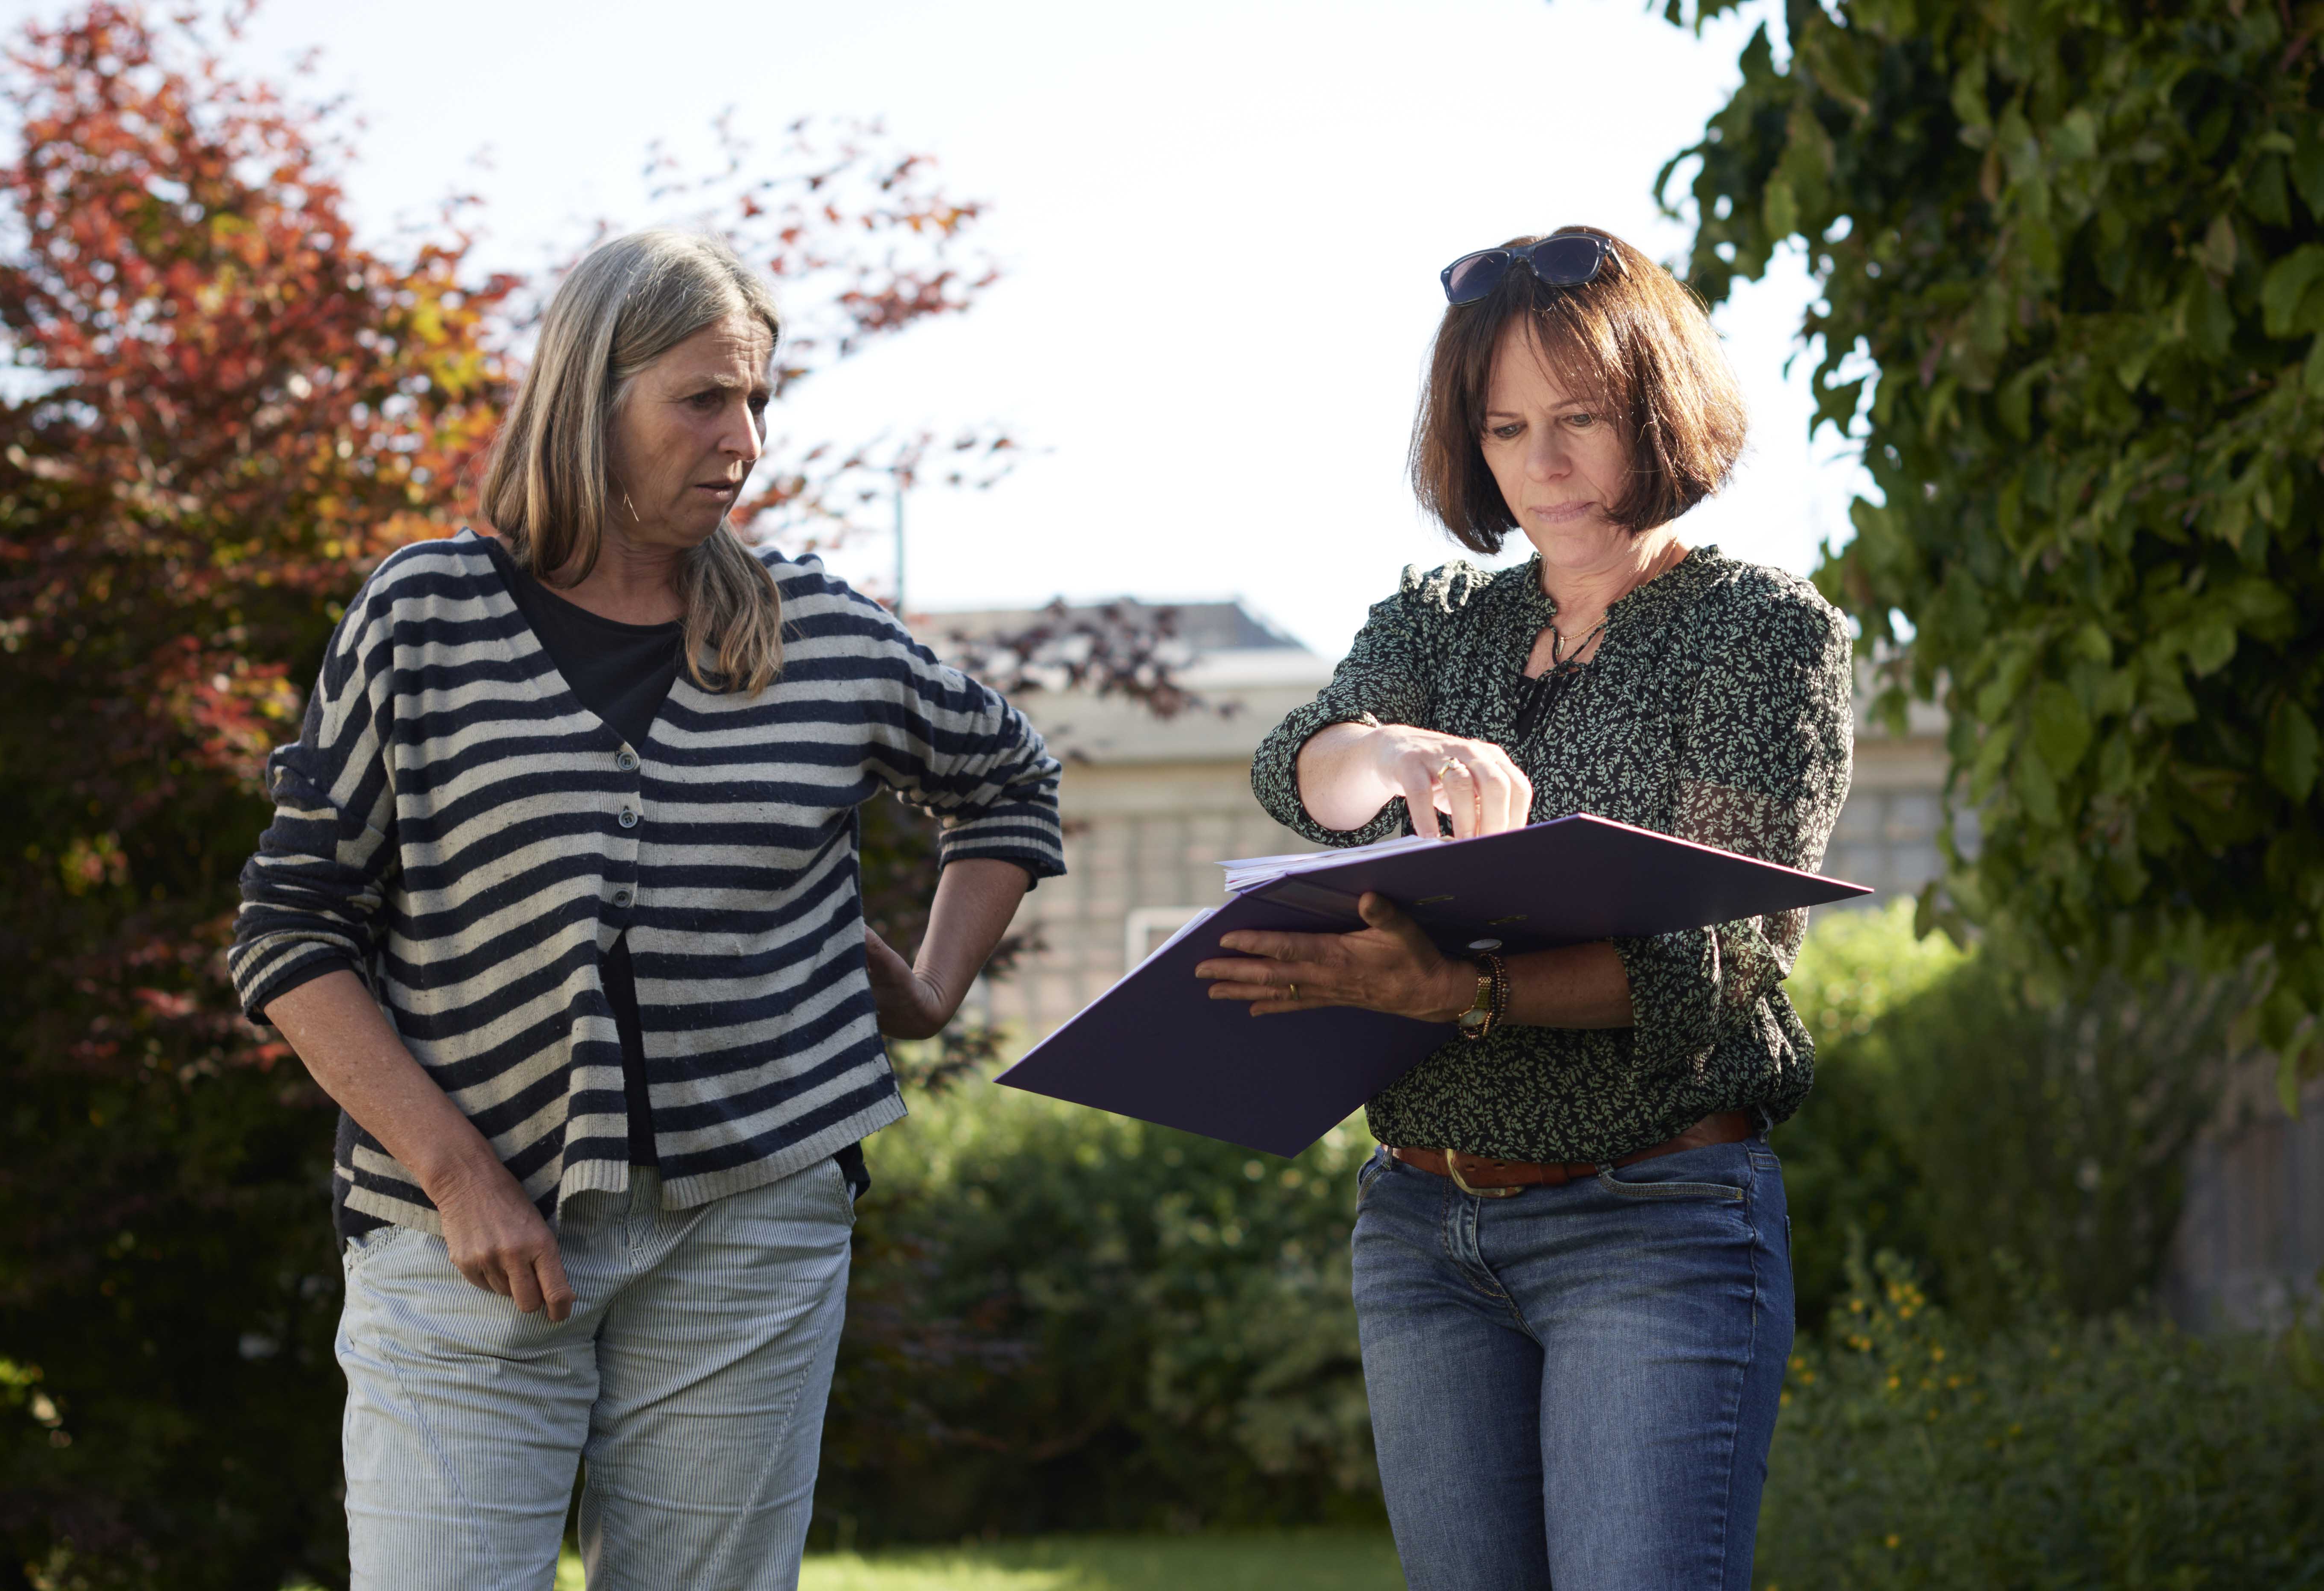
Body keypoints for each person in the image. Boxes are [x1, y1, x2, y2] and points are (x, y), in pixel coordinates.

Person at [227, 228, 1062, 1590]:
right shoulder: (425, 616)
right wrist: (457, 1177)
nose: (742, 438)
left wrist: (927, 985)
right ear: (589, 396)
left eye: (757, 403)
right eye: (702, 398)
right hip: (458, 1239)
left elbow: (1011, 782)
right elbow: (291, 930)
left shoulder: (816, 632)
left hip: (753, 1225)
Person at [1195, 227, 1853, 1591]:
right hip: (1422, 1231)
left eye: (1581, 420)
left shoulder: (1760, 631)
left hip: (1655, 1215)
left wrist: (1463, 995)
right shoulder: (1443, 621)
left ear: (1661, 411)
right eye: (1504, 428)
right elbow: (1296, 765)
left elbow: (1718, 964)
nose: (1542, 465)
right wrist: (1384, 755)